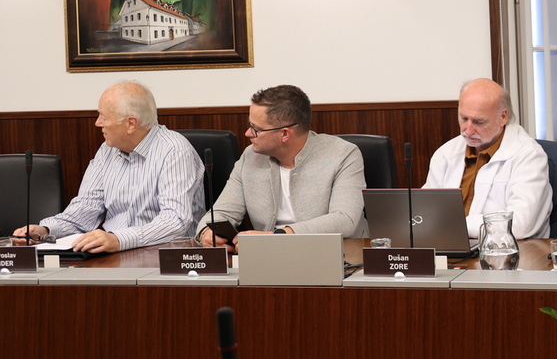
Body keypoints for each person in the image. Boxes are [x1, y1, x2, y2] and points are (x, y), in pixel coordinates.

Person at [11, 82, 204, 253]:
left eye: (103, 116)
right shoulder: (107, 150)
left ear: (131, 124)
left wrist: (119, 239)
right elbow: (87, 206)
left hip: (167, 256)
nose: (98, 123)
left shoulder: (175, 151)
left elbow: (175, 221)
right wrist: (46, 230)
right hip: (115, 253)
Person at [198, 85, 367, 251]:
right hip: (268, 256)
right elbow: (222, 212)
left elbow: (345, 219)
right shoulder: (251, 157)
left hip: (337, 254)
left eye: (256, 129)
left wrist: (279, 236)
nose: (248, 134)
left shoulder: (343, 154)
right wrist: (206, 232)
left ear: (284, 134)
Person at [425, 78, 551, 239]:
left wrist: (454, 225)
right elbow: (425, 213)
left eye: (479, 122)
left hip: (510, 250)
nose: (468, 131)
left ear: (503, 117)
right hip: (451, 245)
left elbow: (519, 224)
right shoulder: (446, 153)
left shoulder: (529, 155)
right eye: (464, 118)